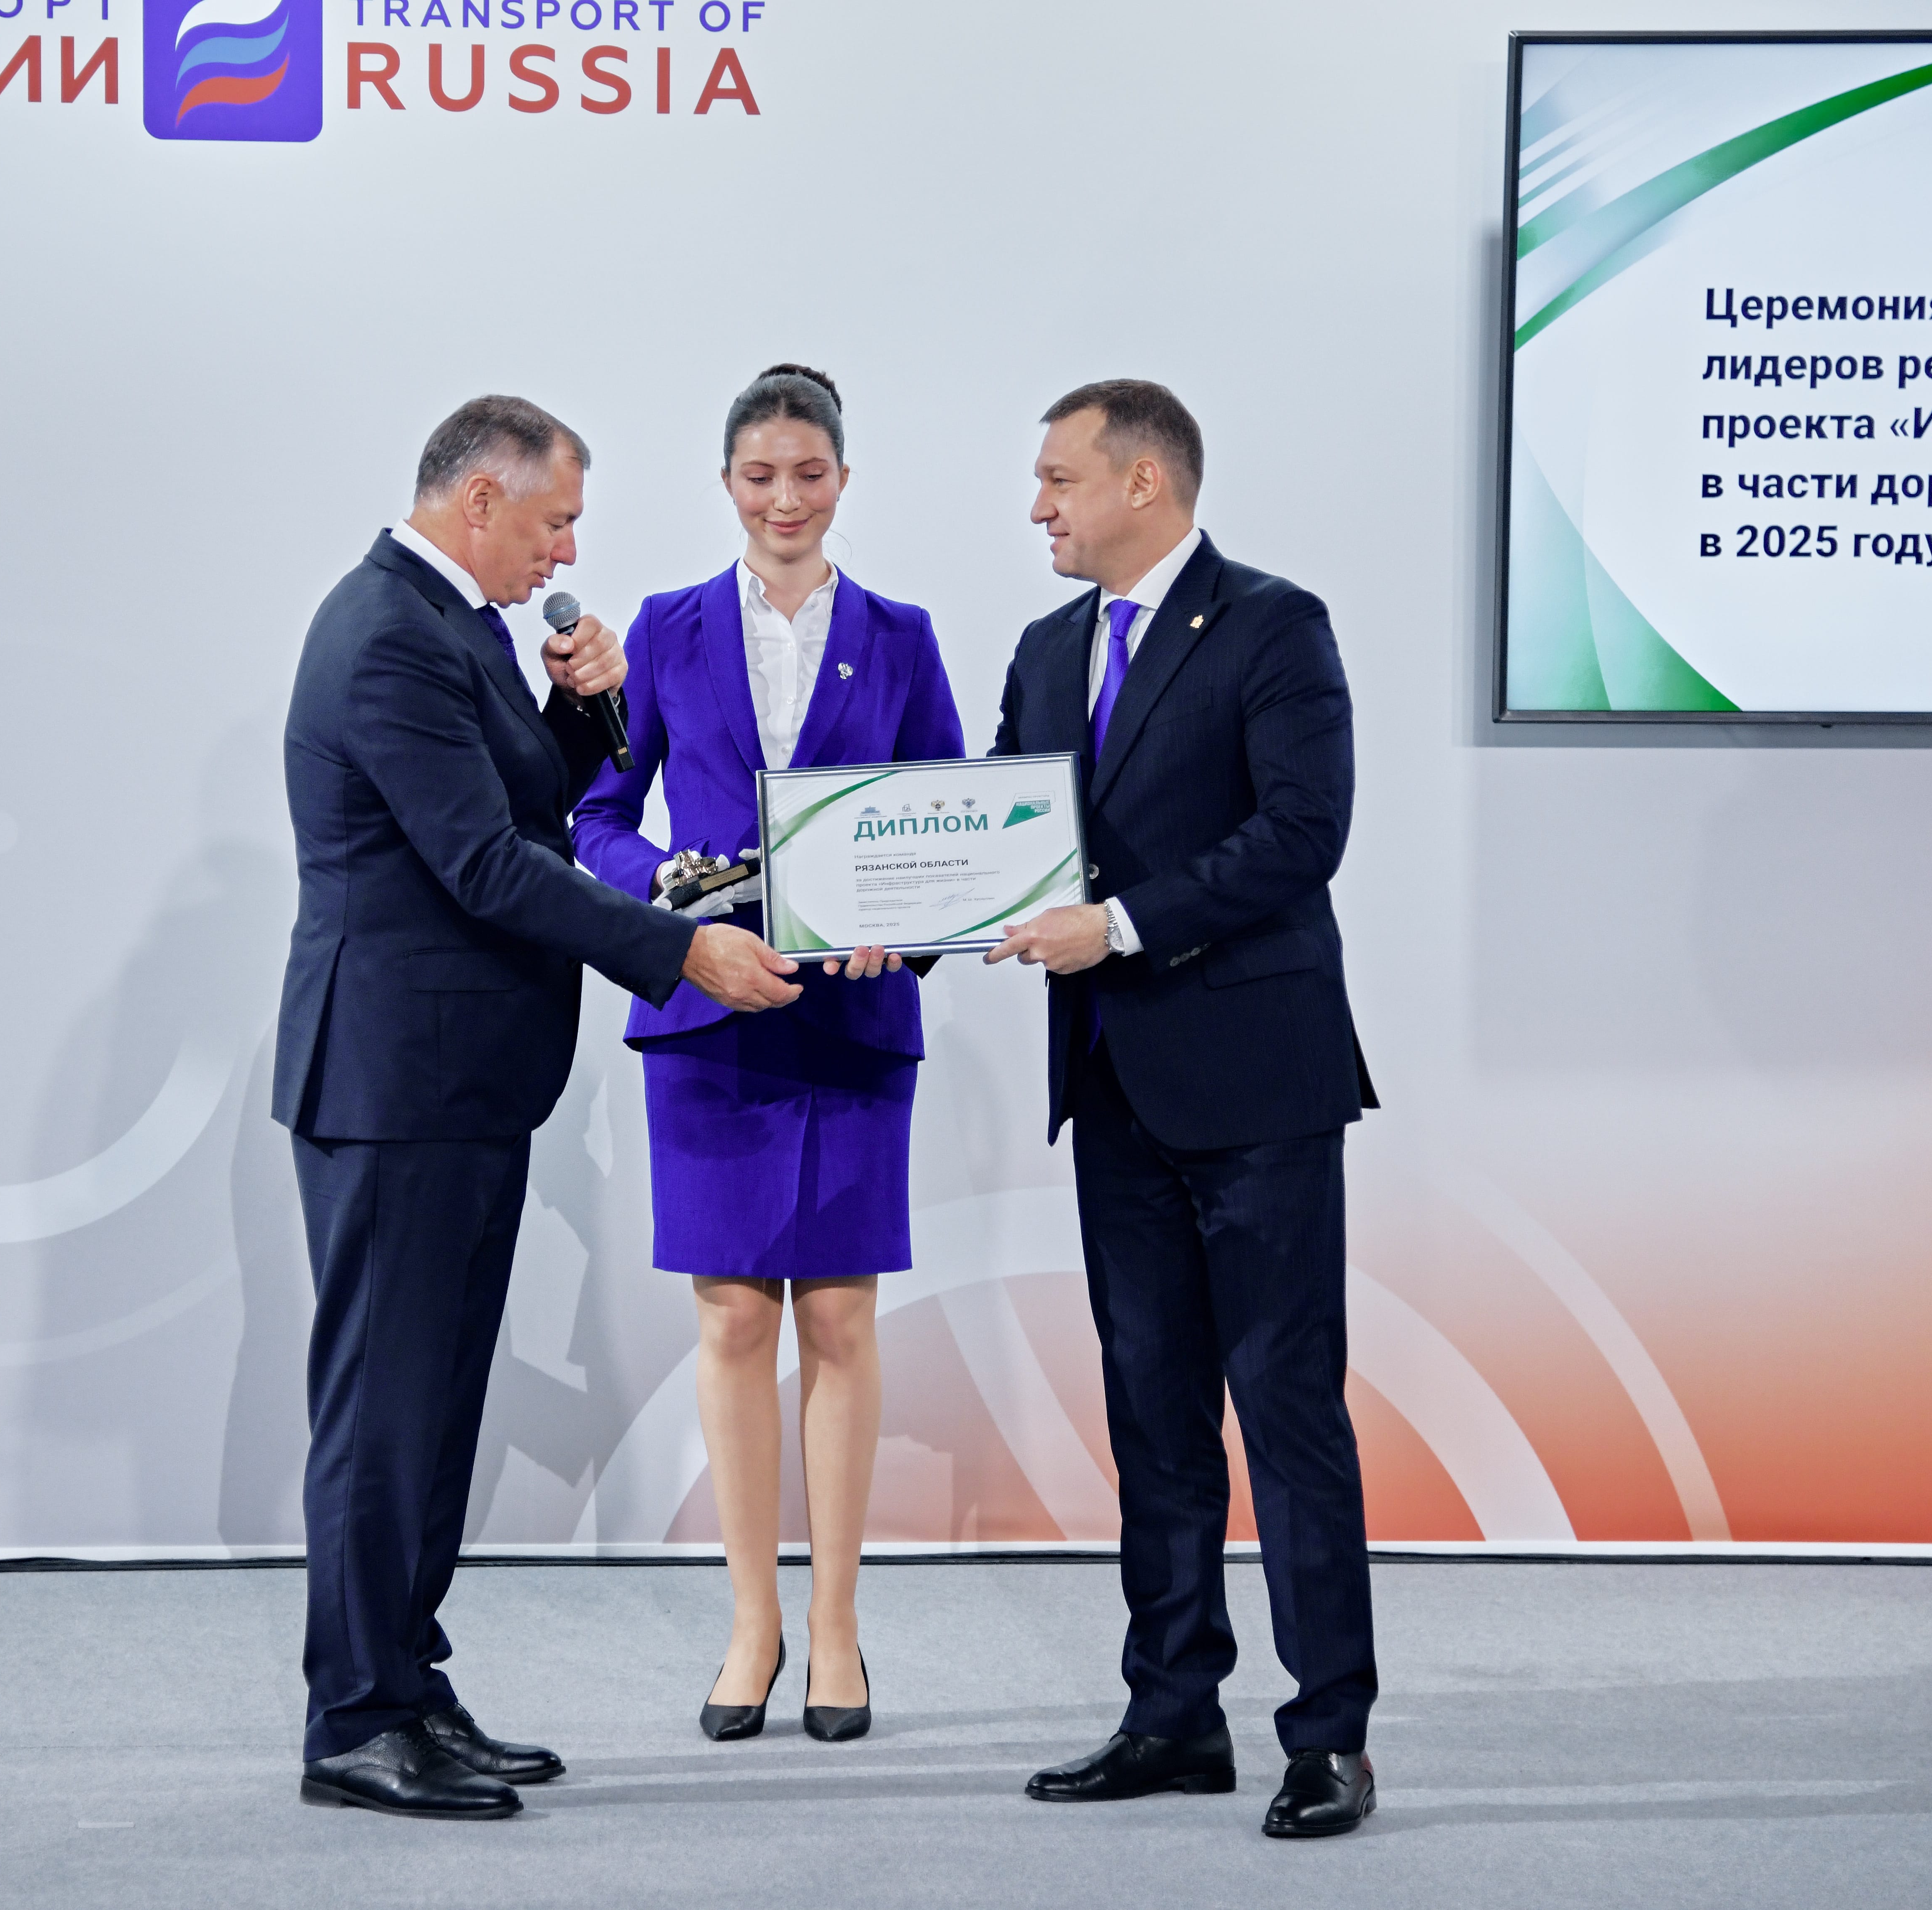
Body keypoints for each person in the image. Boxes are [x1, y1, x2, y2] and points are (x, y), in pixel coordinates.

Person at [273, 395, 806, 1820]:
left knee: (436, 1406)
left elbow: (522, 810)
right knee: (384, 1410)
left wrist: (583, 713)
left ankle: (407, 1686)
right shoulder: (388, 632)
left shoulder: (453, 627)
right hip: (394, 1084)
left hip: (458, 1083)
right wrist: (679, 951)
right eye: (557, 521)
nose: (567, 551)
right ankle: (355, 1719)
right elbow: (484, 868)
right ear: (480, 501)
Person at [984, 379, 1383, 1838]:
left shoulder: (1274, 625)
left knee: (1285, 1408)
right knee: (1153, 1416)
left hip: (1257, 1083)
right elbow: (996, 838)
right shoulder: (1046, 650)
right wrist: (886, 914)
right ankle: (1172, 1715)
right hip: (1113, 1087)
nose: (1038, 505)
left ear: (1143, 482)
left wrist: (1125, 926)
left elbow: (1304, 833)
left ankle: (1329, 1737)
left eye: (1059, 478)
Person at [571, 366, 964, 1744]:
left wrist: (904, 929)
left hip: (852, 1019)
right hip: (709, 1015)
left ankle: (838, 1628)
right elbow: (597, 817)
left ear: (842, 480)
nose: (784, 500)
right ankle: (754, 1623)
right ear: (727, 483)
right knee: (734, 1317)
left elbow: (948, 825)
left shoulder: (903, 637)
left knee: (841, 1318)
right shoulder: (665, 629)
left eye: (808, 474)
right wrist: (670, 895)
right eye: (759, 476)